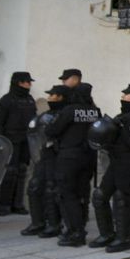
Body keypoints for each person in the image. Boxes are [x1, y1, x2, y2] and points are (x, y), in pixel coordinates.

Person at [89, 84, 130, 253]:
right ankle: (107, 234)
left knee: (122, 199)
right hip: (116, 163)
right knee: (100, 196)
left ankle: (124, 237)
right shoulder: (123, 116)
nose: (122, 96)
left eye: (126, 94)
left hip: (127, 164)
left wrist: (118, 129)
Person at [46, 82, 101, 246]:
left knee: (66, 194)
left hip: (69, 157)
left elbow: (52, 130)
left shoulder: (69, 110)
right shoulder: (95, 111)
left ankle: (75, 232)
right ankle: (80, 225)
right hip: (89, 157)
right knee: (81, 193)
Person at [22, 84, 68, 238]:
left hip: (58, 157)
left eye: (52, 96)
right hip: (44, 156)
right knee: (34, 187)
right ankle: (37, 222)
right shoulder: (45, 116)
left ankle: (54, 223)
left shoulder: (65, 115)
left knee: (51, 189)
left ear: (61, 97)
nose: (49, 98)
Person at [0, 70, 37, 216]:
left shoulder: (30, 99)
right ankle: (4, 204)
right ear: (19, 83)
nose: (29, 84)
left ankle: (17, 204)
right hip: (10, 140)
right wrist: (0, 142)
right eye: (27, 82)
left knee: (22, 171)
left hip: (25, 140)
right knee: (9, 172)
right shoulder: (7, 100)